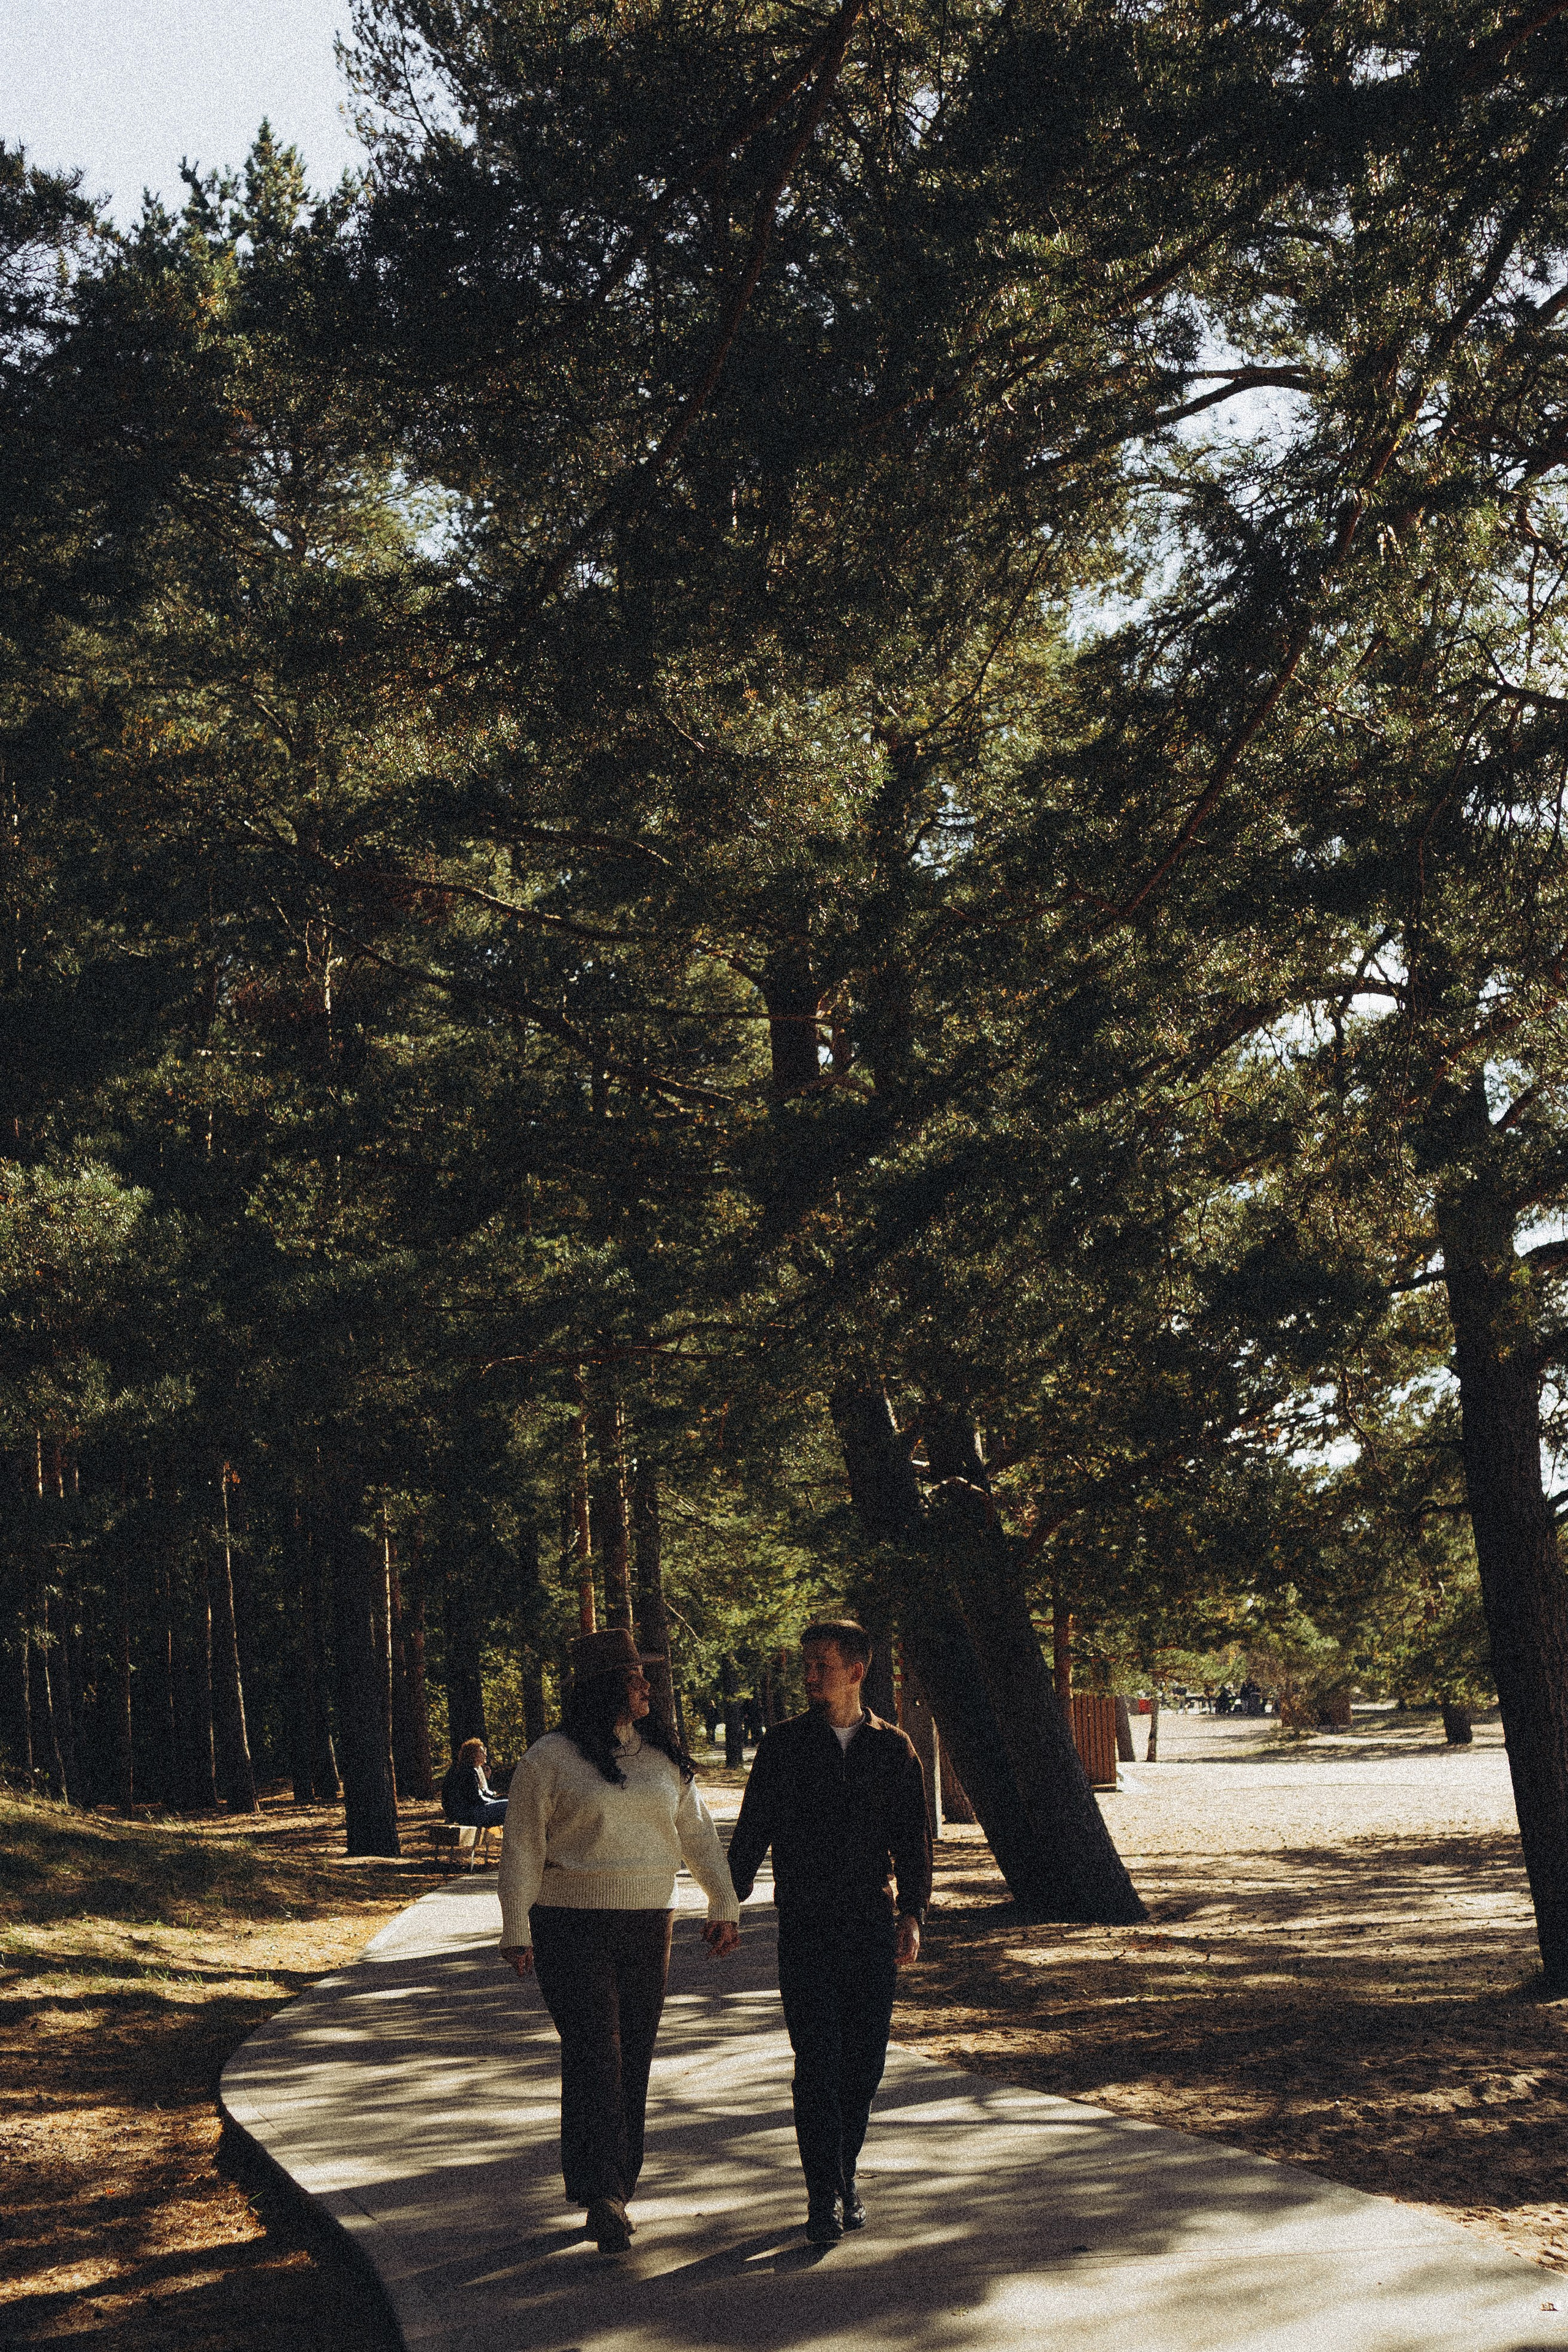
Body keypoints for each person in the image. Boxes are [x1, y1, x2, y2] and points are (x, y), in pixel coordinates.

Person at [497, 1626, 741, 2252]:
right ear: (606, 1686)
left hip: (647, 1922)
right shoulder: (548, 1758)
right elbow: (522, 1846)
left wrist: (724, 1902)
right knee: (596, 2053)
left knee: (632, 2054)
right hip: (568, 1924)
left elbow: (697, 1833)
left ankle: (608, 2187)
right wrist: (517, 1926)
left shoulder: (662, 1756)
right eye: (634, 1676)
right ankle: (604, 2192)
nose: (645, 1685)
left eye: (646, 1674)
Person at [727, 1618, 931, 2247]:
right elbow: (751, 1832)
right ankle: (823, 2194)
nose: (810, 1676)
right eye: (806, 1665)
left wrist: (913, 1912)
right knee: (816, 2062)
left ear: (856, 1671)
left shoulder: (892, 1748)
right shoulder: (784, 1746)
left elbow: (913, 1840)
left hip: (869, 1926)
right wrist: (725, 1903)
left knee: (863, 2064)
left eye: (821, 1665)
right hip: (807, 1928)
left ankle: (844, 2175)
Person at [440, 1736, 508, 1828]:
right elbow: (476, 1798)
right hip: (469, 1815)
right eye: (481, 1752)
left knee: (509, 1802)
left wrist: (488, 1781)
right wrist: (495, 1799)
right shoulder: (467, 1772)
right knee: (510, 1805)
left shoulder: (471, 1769)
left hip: (468, 1812)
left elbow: (479, 1792)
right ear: (472, 1754)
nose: (485, 1755)